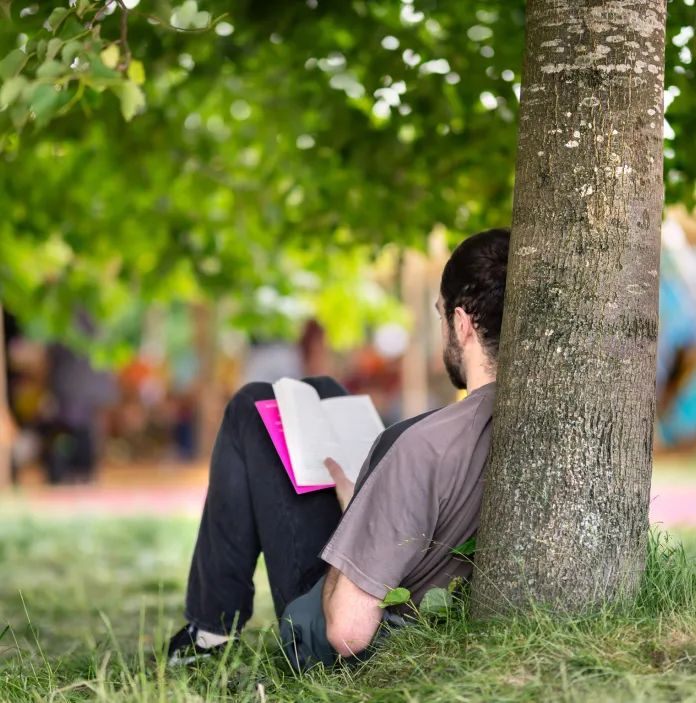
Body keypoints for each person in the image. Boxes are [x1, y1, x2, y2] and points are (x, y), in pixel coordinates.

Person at [165, 228, 510, 669]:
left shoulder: (421, 446)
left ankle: (208, 636)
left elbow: (346, 632)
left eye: (441, 316)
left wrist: (356, 522)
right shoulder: (523, 422)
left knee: (253, 407)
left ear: (462, 325)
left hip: (348, 645)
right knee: (323, 391)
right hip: (425, 587)